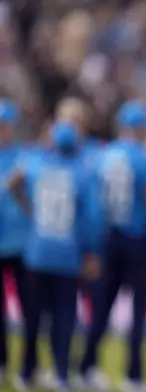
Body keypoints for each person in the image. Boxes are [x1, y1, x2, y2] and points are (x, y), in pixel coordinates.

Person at [79, 100, 146, 391]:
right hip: (136, 239)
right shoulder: (143, 158)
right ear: (140, 127)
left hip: (108, 238)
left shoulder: (103, 156)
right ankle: (134, 374)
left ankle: (87, 366)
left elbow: (93, 202)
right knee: (138, 309)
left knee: (102, 306)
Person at [9, 122, 101, 391]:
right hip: (66, 255)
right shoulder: (82, 174)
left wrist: (30, 210)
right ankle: (61, 373)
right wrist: (91, 252)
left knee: (33, 317)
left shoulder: (37, 166)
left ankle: (26, 372)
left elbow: (13, 181)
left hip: (37, 253)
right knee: (63, 317)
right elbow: (92, 220)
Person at [0, 99, 30, 382]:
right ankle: (3, 363)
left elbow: (34, 206)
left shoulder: (25, 158)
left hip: (22, 245)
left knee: (29, 309)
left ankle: (26, 367)